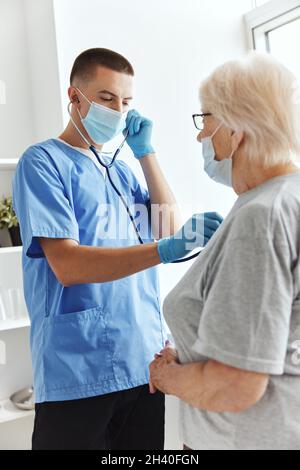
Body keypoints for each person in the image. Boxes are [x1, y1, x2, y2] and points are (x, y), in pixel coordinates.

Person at [12, 48, 222, 450]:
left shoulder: (121, 170)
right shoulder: (42, 163)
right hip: (77, 370)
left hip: (143, 364)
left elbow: (168, 229)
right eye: (107, 98)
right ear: (74, 97)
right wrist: (164, 248)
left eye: (126, 102)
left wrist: (146, 155)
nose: (117, 110)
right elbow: (68, 265)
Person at [149, 52, 300, 450]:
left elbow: (236, 384)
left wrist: (168, 377)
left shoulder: (261, 217)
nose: (201, 136)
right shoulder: (283, 197)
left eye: (206, 120)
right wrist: (192, 351)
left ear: (236, 131)